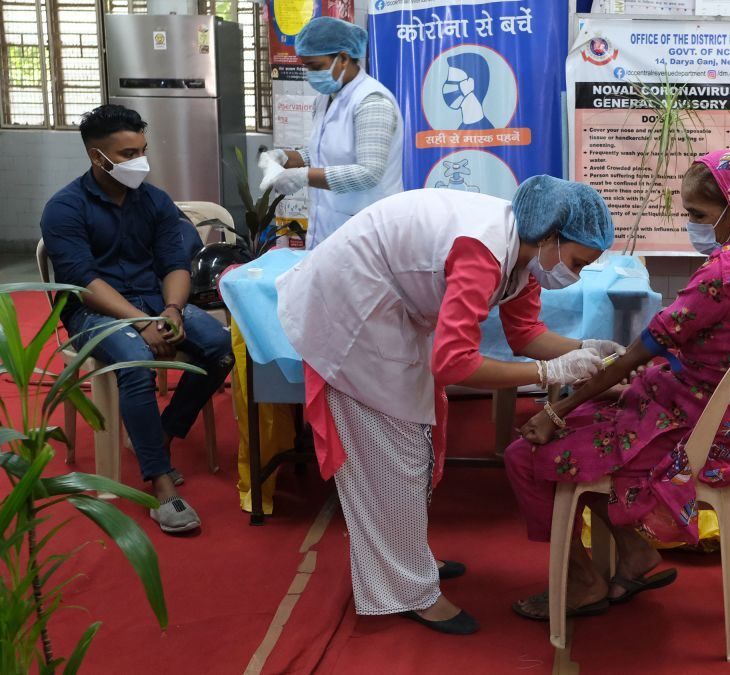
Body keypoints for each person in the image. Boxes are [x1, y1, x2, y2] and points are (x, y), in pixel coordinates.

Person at [274, 176, 621, 635]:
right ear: (553, 237)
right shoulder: (485, 249)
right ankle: (406, 590)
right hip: (351, 308)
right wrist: (548, 374)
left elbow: (525, 334)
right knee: (391, 455)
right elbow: (454, 364)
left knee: (413, 442)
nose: (574, 275)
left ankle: (408, 560)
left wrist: (585, 349)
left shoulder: (528, 255)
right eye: (577, 262)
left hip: (391, 307)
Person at [504, 150, 730, 620]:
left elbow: (640, 352)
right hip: (724, 419)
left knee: (526, 454)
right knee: (591, 412)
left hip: (689, 433)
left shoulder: (723, 275)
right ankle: (636, 555)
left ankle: (581, 581)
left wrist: (554, 409)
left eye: (699, 216)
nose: (694, 226)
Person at [40, 104, 234, 534]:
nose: (140, 162)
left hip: (153, 301)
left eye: (142, 150)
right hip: (95, 310)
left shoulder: (155, 201)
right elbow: (83, 282)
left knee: (220, 347)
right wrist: (140, 322)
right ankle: (160, 484)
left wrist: (170, 311)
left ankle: (162, 434)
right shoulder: (65, 208)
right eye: (128, 154)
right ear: (97, 157)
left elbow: (175, 264)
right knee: (134, 361)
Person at [259, 17, 403, 248]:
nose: (310, 74)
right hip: (328, 227)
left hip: (367, 230)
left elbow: (369, 173)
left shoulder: (372, 101)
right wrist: (284, 158)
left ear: (344, 58)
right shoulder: (325, 99)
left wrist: (303, 176)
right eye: (306, 66)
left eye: (315, 67)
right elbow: (320, 153)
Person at [442, 52, 495, 130]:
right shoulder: (458, 132)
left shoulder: (488, 131)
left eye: (455, 80)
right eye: (449, 81)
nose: (449, 86)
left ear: (471, 83)